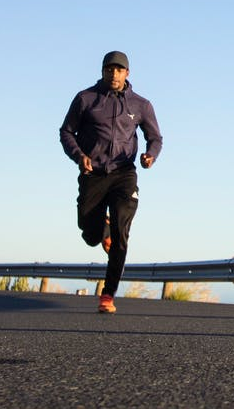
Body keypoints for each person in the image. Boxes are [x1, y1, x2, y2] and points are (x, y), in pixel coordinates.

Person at [59, 51, 163, 313]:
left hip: (123, 174)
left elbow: (155, 138)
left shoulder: (141, 105)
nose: (114, 74)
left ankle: (108, 294)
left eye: (119, 70)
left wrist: (151, 155)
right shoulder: (86, 99)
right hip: (93, 174)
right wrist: (79, 156)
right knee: (90, 234)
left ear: (127, 73)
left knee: (121, 231)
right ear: (102, 71)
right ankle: (101, 230)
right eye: (109, 69)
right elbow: (66, 132)